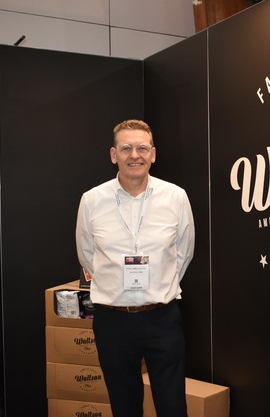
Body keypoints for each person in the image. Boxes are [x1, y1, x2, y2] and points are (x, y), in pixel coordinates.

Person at [75, 119, 195, 417]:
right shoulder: (91, 200)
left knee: (173, 406)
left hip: (162, 318)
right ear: (113, 154)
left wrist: (159, 285)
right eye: (126, 148)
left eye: (142, 148)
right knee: (124, 406)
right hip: (112, 321)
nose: (134, 155)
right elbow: (87, 255)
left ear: (153, 154)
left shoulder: (176, 197)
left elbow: (183, 252)